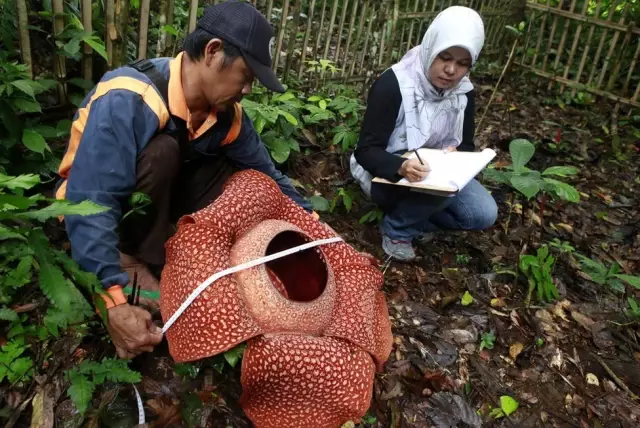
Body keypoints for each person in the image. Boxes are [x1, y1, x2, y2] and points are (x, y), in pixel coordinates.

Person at [55, 0, 315, 359]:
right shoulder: (129, 98)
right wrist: (113, 299)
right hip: (90, 205)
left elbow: (270, 176)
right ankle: (129, 260)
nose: (247, 91)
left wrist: (315, 226)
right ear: (212, 52)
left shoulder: (227, 116)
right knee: (163, 150)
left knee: (245, 176)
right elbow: (91, 202)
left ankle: (178, 251)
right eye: (246, 77)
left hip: (157, 202)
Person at [350, 6, 497, 262]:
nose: (451, 70)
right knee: (438, 191)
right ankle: (397, 229)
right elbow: (367, 151)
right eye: (444, 58)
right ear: (431, 47)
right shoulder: (394, 84)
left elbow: (465, 144)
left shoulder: (464, 92)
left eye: (463, 64)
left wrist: (457, 156)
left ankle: (417, 220)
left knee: (483, 213)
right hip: (390, 175)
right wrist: (402, 166)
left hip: (436, 175)